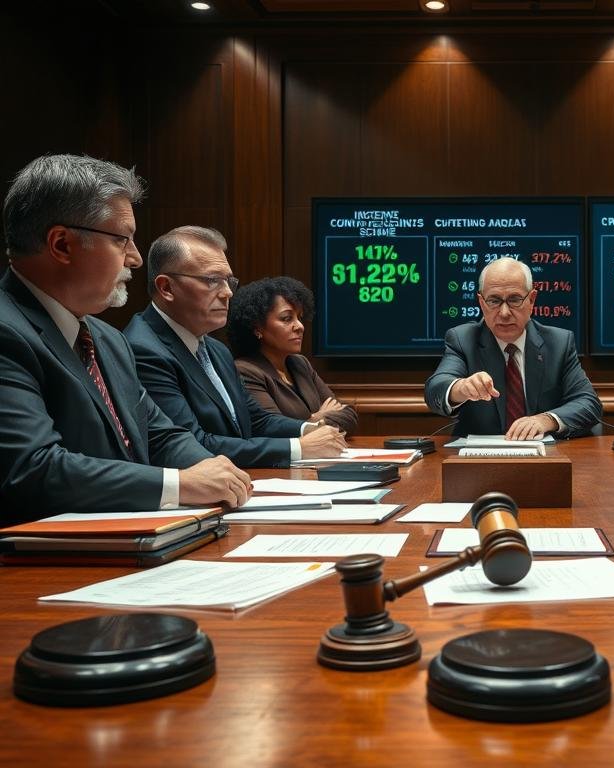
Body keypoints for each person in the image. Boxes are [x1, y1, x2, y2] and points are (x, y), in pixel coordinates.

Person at [0, 154, 251, 521]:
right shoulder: (8, 331)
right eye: (122, 240)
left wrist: (217, 472)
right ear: (62, 245)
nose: (135, 258)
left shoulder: (108, 339)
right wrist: (179, 485)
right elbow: (34, 470)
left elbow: (160, 434)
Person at [124, 226, 346, 468]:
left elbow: (255, 419)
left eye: (228, 281)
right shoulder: (144, 349)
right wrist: (298, 447)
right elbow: (191, 444)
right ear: (166, 288)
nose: (228, 292)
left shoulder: (216, 349)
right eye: (212, 281)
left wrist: (309, 428)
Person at [424, 257, 601, 439]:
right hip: (480, 460)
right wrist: (461, 388)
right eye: (494, 301)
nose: (504, 313)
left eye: (515, 299)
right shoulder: (463, 339)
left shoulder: (559, 343)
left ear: (532, 300)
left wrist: (546, 420)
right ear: (481, 303)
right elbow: (434, 390)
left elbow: (589, 403)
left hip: (544, 458)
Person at [227, 276, 358, 436]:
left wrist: (310, 422)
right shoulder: (246, 371)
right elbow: (272, 430)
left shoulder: (300, 363)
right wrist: (316, 417)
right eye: (287, 318)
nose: (300, 326)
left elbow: (349, 417)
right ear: (257, 328)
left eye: (300, 317)